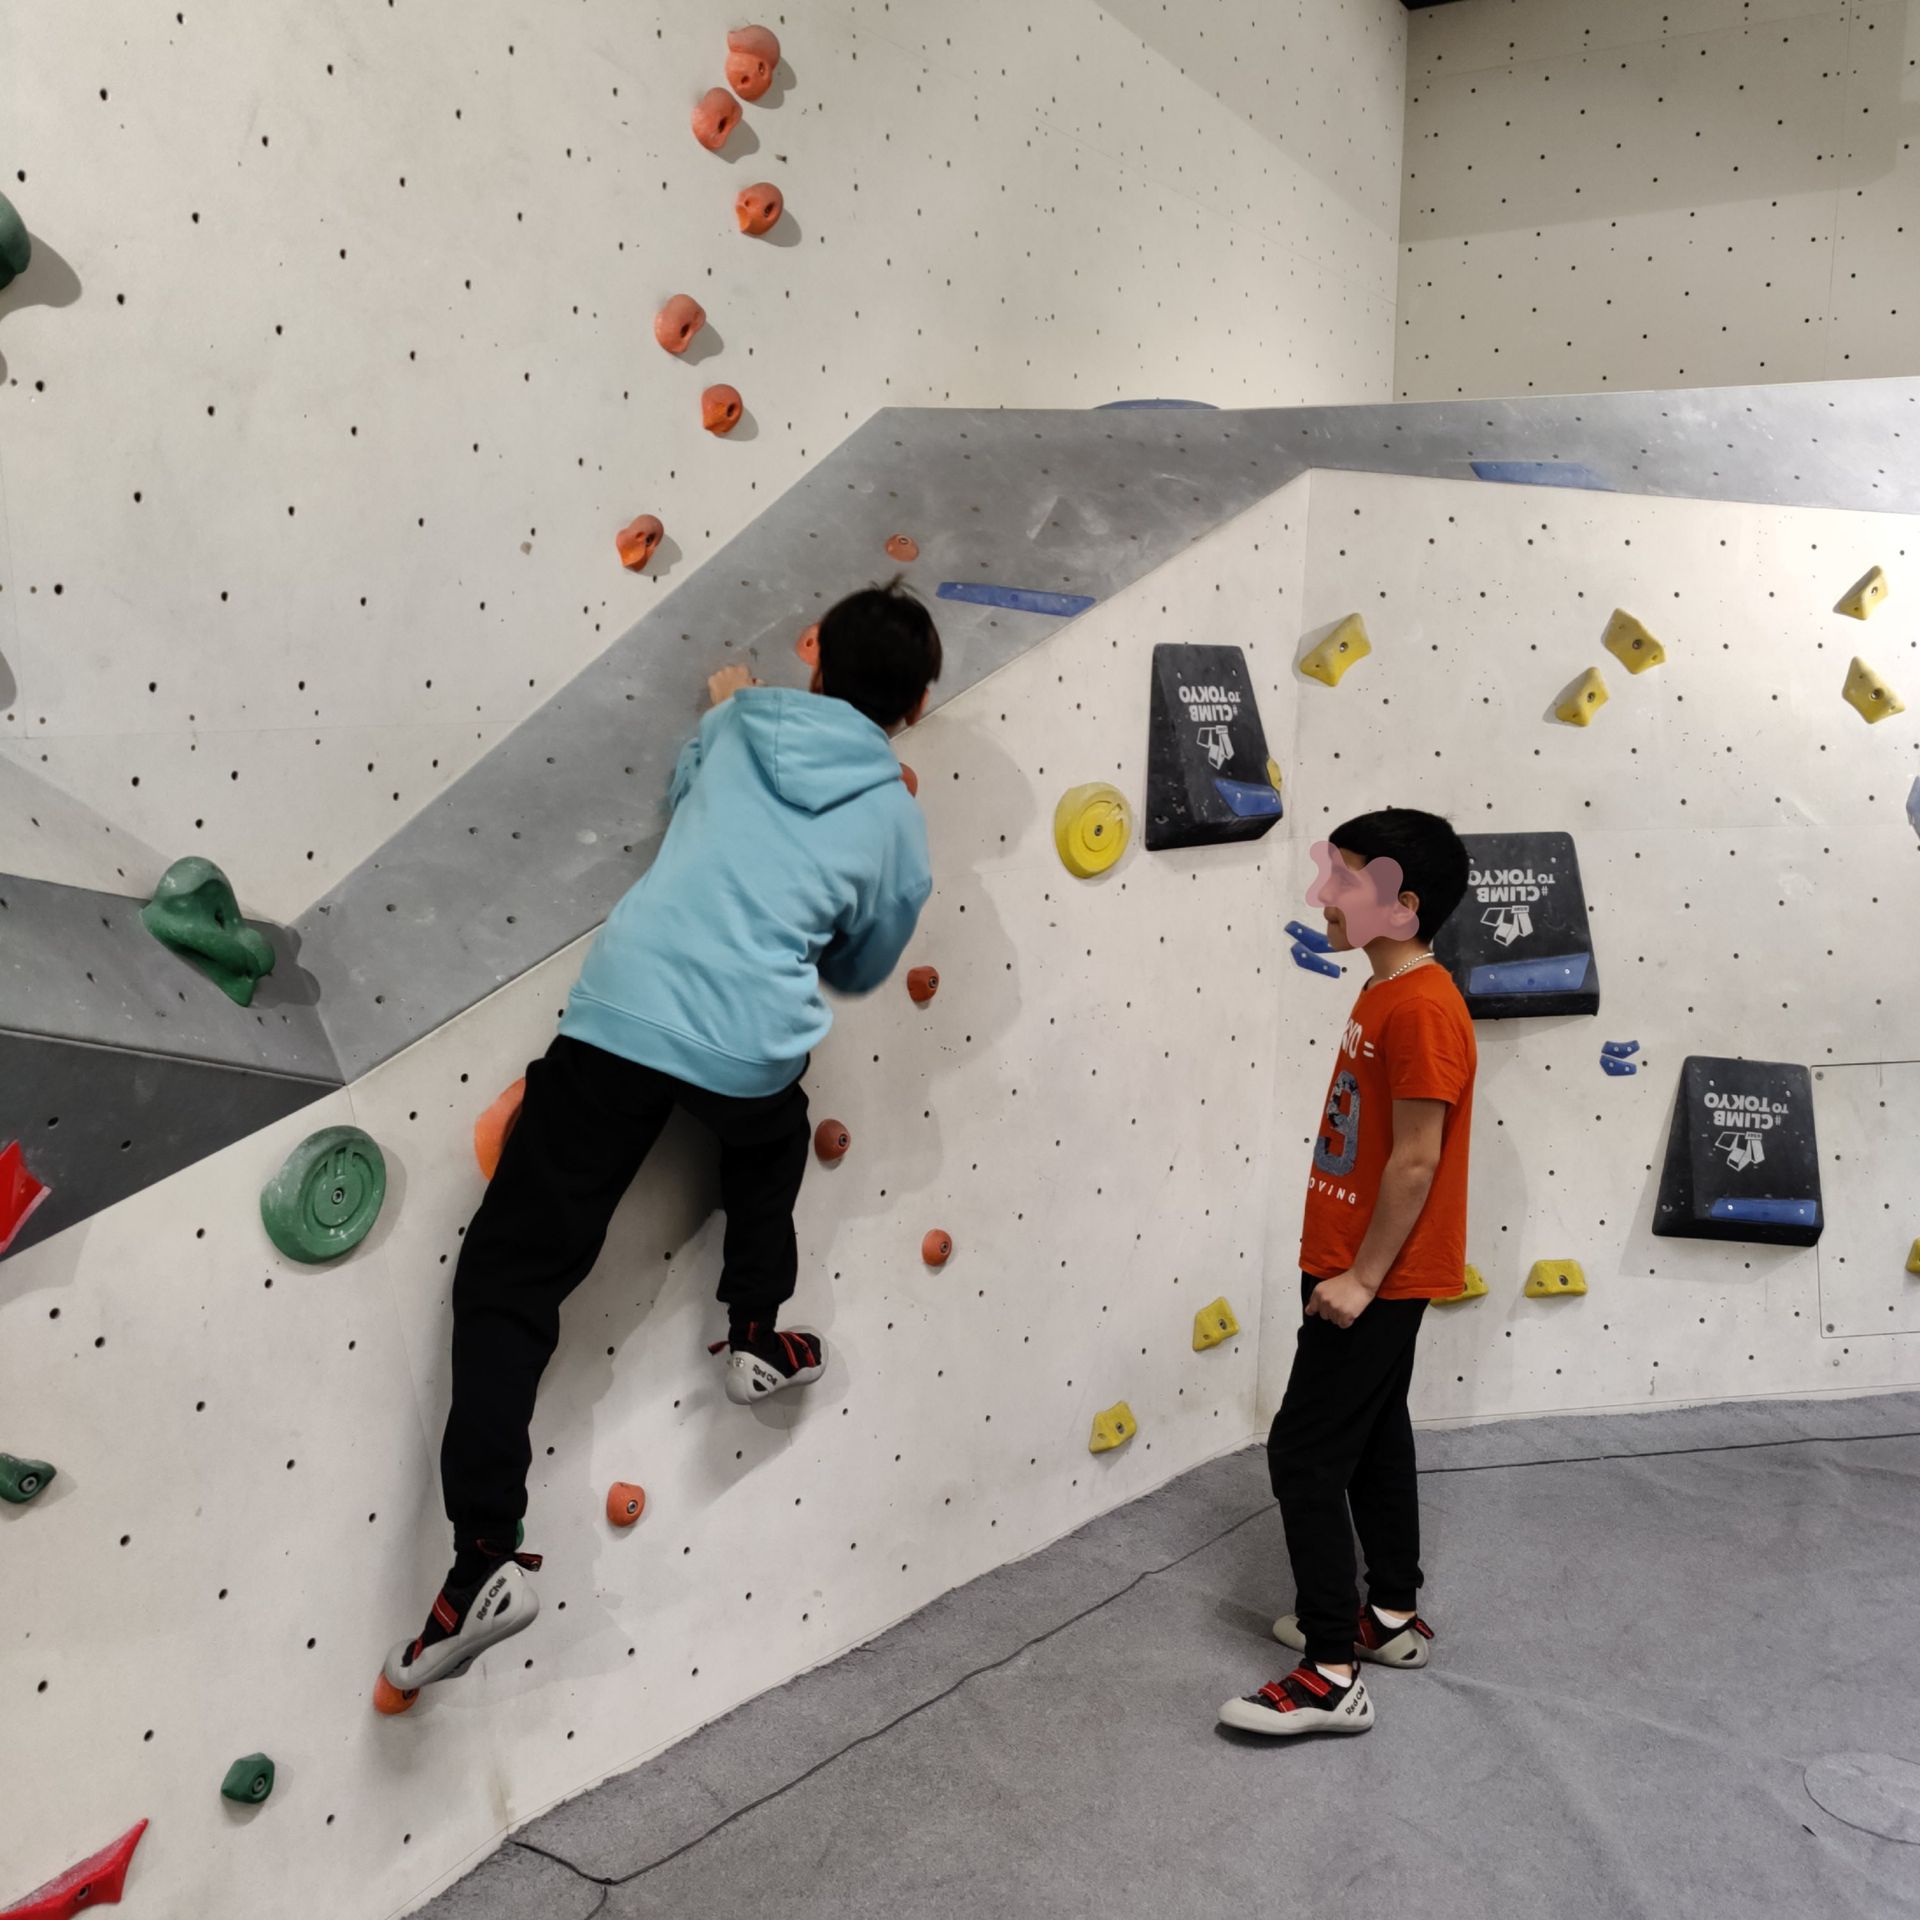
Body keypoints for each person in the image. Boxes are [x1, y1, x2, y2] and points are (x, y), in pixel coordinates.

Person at [379, 580, 940, 1706]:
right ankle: (750, 1330)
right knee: (769, 1137)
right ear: (917, 710)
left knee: (509, 1280)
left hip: (625, 1019)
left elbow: (691, 801)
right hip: (748, 1050)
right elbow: (864, 966)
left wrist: (728, 711)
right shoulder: (895, 819)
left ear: (811, 646)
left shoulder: (733, 725)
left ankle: (485, 1553)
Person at [1220, 808, 1474, 1738]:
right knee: (1373, 1437)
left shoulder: (1423, 1007)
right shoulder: (1385, 990)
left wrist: (1361, 1279)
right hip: (1351, 1263)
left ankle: (1329, 1668)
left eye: (1344, 878)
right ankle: (1391, 1616)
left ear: (1400, 906)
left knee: (1303, 1453)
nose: (1321, 894)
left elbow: (1416, 1160)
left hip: (1368, 1276)